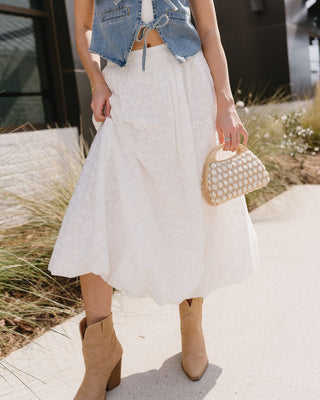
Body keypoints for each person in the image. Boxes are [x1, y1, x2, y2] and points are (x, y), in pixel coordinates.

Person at [48, 0, 260, 398]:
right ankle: (100, 354)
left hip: (188, 88)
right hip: (125, 92)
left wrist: (225, 102)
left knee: (187, 210)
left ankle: (191, 324)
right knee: (96, 214)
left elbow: (210, 30)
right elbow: (83, 29)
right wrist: (96, 80)